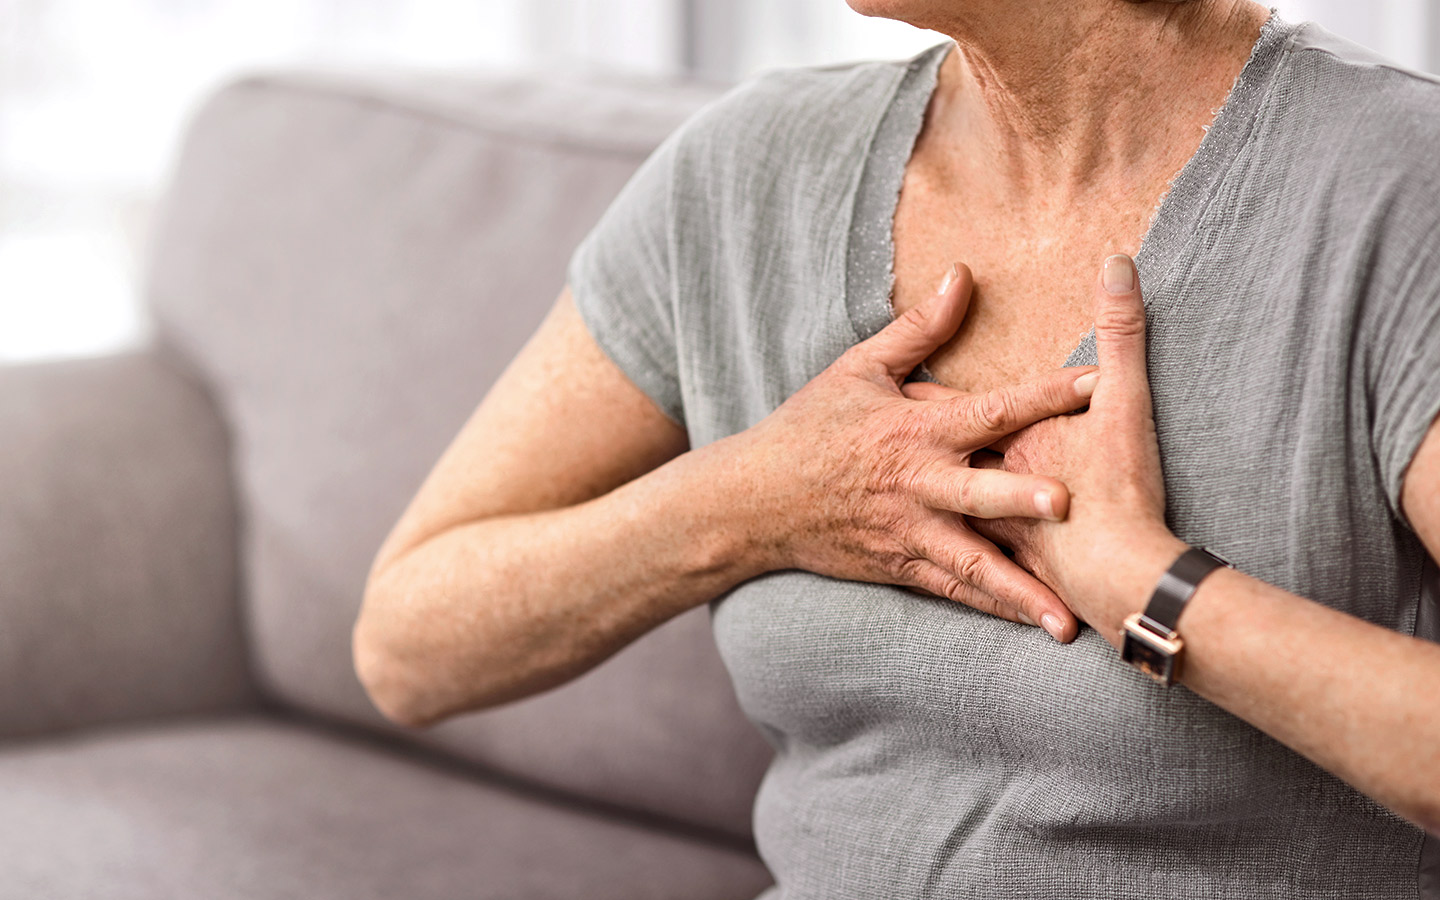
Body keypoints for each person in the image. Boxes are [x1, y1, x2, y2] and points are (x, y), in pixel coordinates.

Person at [352, 0, 1440, 895]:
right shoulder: (745, 176)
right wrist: (751, 502)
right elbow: (410, 645)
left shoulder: (1394, 190)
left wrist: (1151, 592)